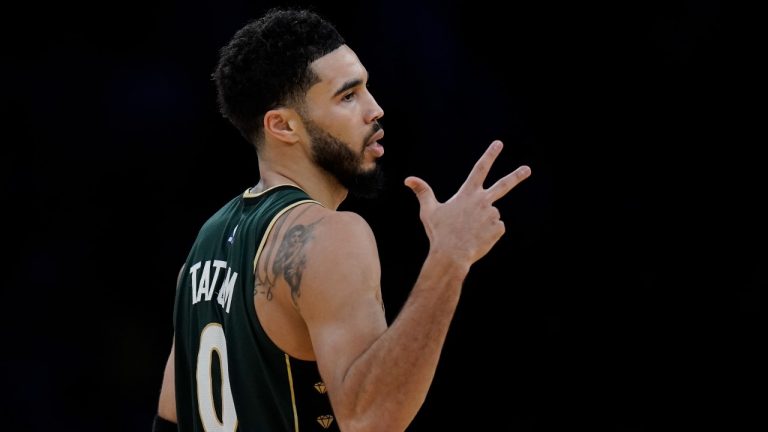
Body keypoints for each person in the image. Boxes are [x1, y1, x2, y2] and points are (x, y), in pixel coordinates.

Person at [153, 6, 531, 432]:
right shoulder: (332, 237)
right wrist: (449, 258)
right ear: (283, 126)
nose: (376, 109)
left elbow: (169, 419)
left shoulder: (204, 246)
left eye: (366, 89)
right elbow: (371, 420)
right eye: (348, 96)